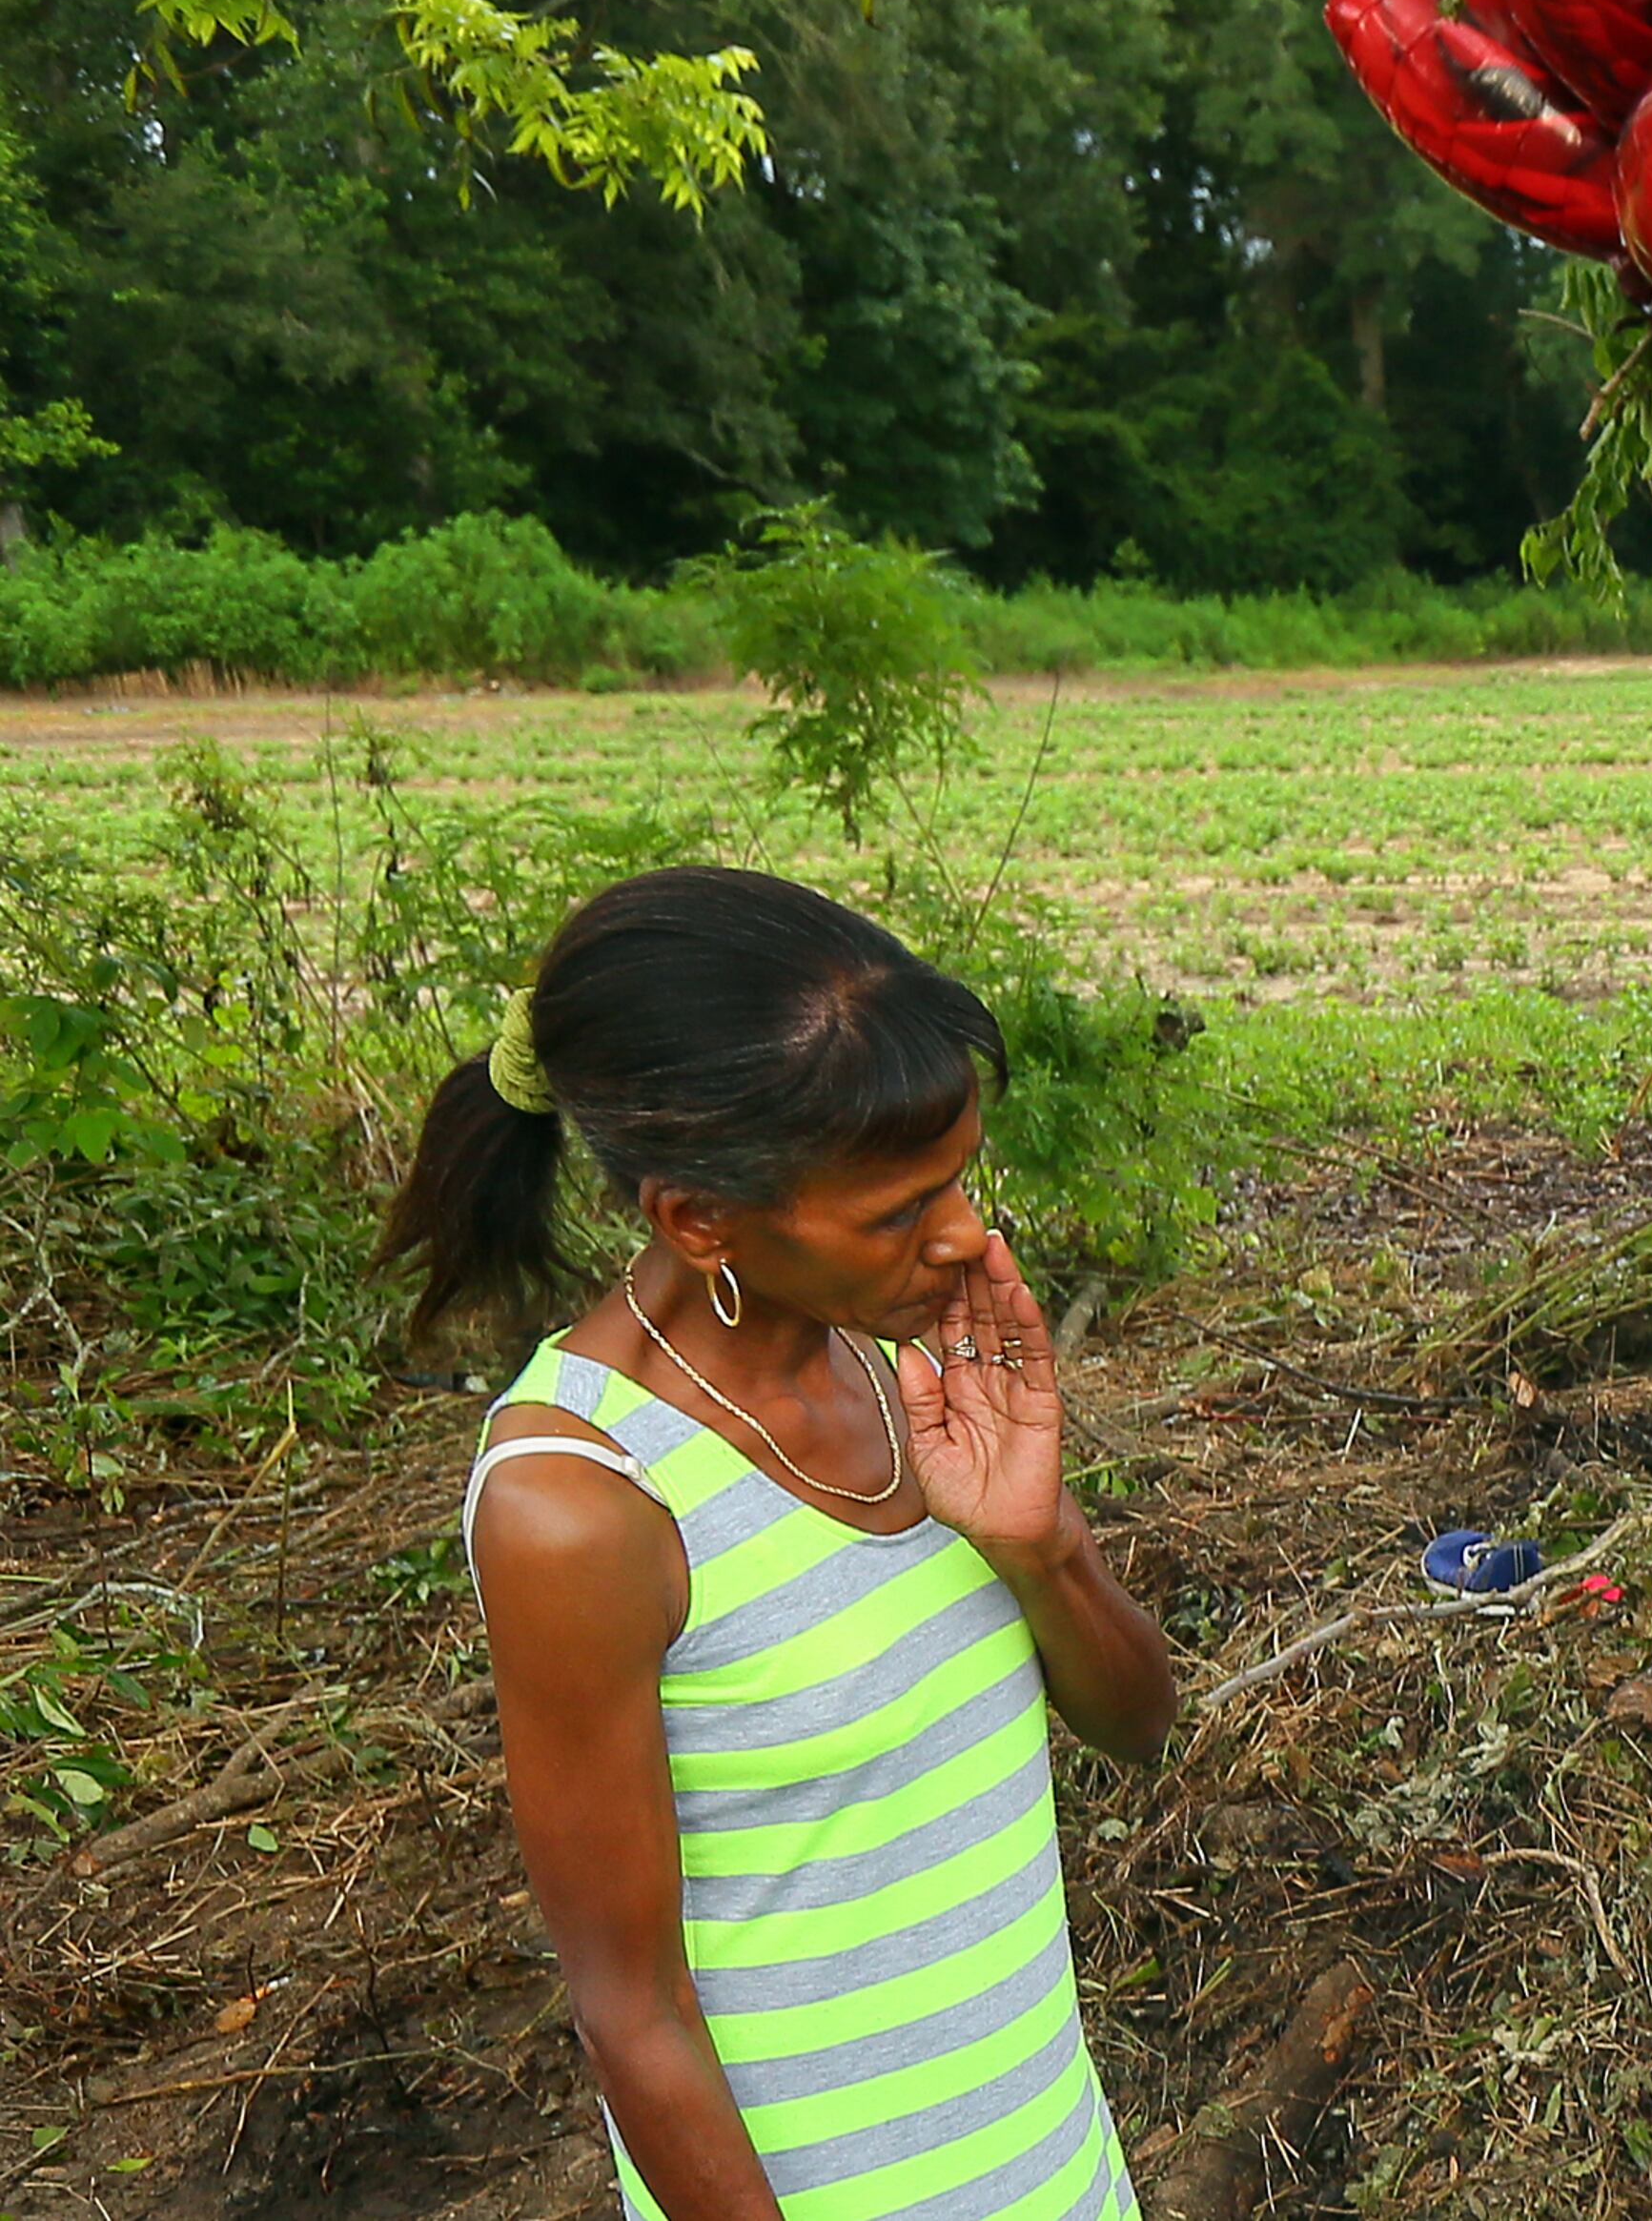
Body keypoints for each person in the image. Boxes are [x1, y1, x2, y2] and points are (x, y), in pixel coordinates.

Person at [378, 866, 1174, 2221]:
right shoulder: (582, 1499)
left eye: (958, 1181)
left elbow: (1141, 1725)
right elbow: (631, 2013)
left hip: (1056, 2175)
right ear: (698, 1217)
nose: (963, 1235)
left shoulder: (893, 1360)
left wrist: (1041, 1547)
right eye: (896, 1210)